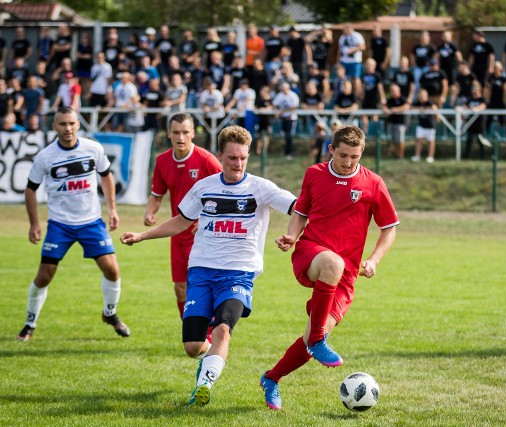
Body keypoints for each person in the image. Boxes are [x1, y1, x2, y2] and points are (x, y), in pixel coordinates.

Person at [120, 125, 297, 406]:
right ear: (220, 156)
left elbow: (299, 207)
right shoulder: (204, 187)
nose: (238, 164)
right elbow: (181, 221)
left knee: (223, 329)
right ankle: (210, 360)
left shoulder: (261, 188)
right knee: (192, 347)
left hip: (239, 272)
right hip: (201, 271)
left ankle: (205, 384)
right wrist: (142, 236)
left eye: (243, 158)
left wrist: (294, 234)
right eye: (231, 158)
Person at [259, 125, 399, 411]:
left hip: (346, 276)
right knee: (332, 264)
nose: (348, 162)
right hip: (312, 253)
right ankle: (319, 339)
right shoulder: (315, 174)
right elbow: (300, 212)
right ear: (331, 149)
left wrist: (373, 260)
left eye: (355, 157)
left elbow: (389, 229)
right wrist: (292, 236)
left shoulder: (373, 183)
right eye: (343, 155)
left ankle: (271, 379)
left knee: (309, 343)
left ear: (362, 154)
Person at [16, 107, 130, 342]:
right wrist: (34, 223)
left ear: (78, 124)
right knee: (45, 275)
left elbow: (106, 175)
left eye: (71, 123)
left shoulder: (93, 149)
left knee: (112, 269)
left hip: (91, 222)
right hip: (60, 225)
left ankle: (110, 314)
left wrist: (112, 209)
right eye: (62, 124)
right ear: (54, 127)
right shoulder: (46, 156)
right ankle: (29, 323)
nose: (67, 129)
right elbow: (30, 189)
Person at [144, 113, 222, 321]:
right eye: (176, 132)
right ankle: (189, 328)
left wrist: (208, 220)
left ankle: (211, 332)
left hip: (204, 235)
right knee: (180, 287)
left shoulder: (207, 161)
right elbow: (157, 194)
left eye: (185, 132)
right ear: (169, 133)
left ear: (193, 134)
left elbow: (226, 192)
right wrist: (150, 211)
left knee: (203, 286)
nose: (180, 137)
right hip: (177, 234)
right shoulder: (162, 161)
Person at [272, 82, 299, 160]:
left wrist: (281, 111)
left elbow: (294, 107)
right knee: (284, 135)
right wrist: (276, 111)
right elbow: (274, 104)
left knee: (289, 136)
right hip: (283, 118)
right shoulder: (280, 95)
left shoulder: (293, 95)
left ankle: (289, 153)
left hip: (291, 118)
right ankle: (285, 152)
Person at [383, 83, 410, 159]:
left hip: (400, 123)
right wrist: (384, 108)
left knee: (400, 141)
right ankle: (393, 155)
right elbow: (384, 106)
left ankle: (401, 156)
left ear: (399, 91)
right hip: (391, 122)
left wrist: (395, 109)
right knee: (391, 140)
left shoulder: (402, 99)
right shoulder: (390, 100)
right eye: (391, 91)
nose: (393, 92)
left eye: (394, 90)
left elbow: (407, 106)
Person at [411, 88, 438, 163]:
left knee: (431, 141)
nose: (421, 97)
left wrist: (425, 108)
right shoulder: (417, 103)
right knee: (418, 140)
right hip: (421, 125)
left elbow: (434, 109)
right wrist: (420, 108)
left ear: (426, 96)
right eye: (420, 95)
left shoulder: (430, 103)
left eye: (422, 95)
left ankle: (430, 156)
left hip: (430, 126)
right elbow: (411, 107)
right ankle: (417, 155)